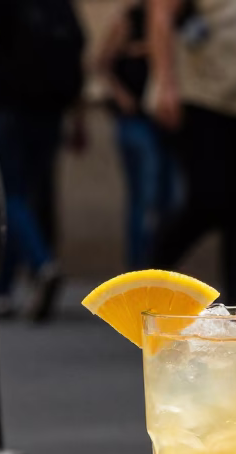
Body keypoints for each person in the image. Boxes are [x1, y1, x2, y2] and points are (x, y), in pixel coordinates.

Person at [147, 0, 236, 305]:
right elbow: (161, 13)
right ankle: (154, 262)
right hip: (201, 92)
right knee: (209, 198)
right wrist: (165, 83)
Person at [0, 0, 85, 321]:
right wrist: (79, 119)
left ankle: (42, 264)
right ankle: (2, 292)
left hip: (8, 108)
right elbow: (78, 60)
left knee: (5, 194)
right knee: (22, 199)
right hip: (50, 112)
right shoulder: (61, 6)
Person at [96, 0, 177, 270]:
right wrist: (122, 97)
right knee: (145, 198)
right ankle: (140, 269)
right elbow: (101, 64)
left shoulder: (178, 20)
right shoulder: (129, 20)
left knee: (170, 199)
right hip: (136, 122)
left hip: (165, 123)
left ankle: (160, 267)